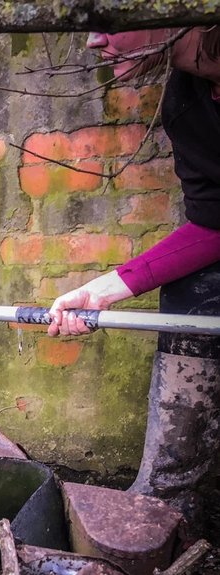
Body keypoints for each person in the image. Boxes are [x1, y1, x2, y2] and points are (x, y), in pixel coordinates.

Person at [48, 29, 220, 534]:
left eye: (112, 14)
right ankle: (167, 499)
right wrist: (101, 292)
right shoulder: (187, 104)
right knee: (190, 295)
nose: (93, 41)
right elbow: (213, 223)